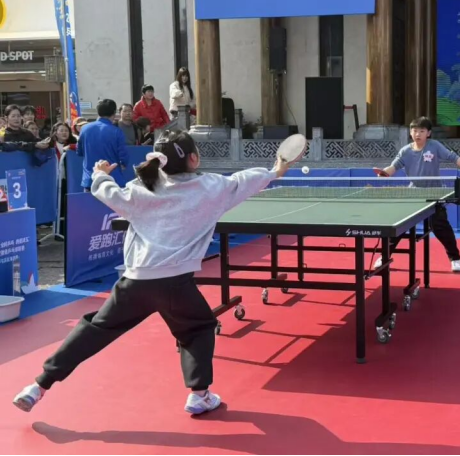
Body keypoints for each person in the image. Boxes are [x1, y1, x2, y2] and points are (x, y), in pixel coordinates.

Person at [13, 130, 291, 416]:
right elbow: (244, 180)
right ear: (193, 159)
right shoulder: (211, 187)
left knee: (94, 330)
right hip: (177, 283)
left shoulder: (142, 188)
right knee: (198, 328)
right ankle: (199, 395)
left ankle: (38, 386)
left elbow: (108, 192)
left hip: (136, 281)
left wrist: (100, 175)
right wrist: (275, 170)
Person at [374, 117, 460, 273]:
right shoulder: (405, 151)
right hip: (414, 194)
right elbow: (393, 167)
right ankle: (384, 256)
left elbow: (454, 158)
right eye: (414, 130)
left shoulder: (434, 146)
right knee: (398, 226)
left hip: (434, 194)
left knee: (441, 227)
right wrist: (384, 173)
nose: (417, 134)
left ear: (428, 133)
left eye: (421, 131)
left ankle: (455, 259)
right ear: (410, 132)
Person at [77, 99, 129, 191]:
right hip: (113, 180)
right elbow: (124, 157)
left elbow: (79, 151)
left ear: (98, 112)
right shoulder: (117, 131)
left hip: (90, 180)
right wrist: (123, 164)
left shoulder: (84, 129)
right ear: (114, 112)